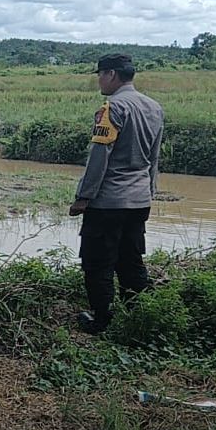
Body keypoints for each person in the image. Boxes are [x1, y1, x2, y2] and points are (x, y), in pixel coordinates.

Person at [68, 53, 164, 334]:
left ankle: (101, 322)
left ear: (111, 74)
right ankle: (139, 317)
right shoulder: (154, 107)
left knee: (98, 263)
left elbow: (100, 155)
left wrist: (83, 197)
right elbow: (154, 158)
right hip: (139, 200)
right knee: (131, 261)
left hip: (109, 202)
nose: (98, 80)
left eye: (100, 74)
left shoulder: (112, 108)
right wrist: (149, 191)